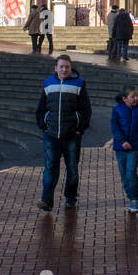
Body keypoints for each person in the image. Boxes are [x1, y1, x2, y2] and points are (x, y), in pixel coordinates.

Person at [34, 54, 91, 211]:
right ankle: (46, 200)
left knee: (72, 168)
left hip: (72, 134)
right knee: (50, 167)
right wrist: (43, 126)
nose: (64, 69)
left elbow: (86, 108)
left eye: (66, 67)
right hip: (51, 135)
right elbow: (41, 108)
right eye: (61, 67)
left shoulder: (79, 84)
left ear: (70, 68)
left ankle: (70, 197)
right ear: (56, 68)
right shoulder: (48, 84)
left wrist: (80, 128)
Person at [110, 85, 138, 214]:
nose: (135, 99)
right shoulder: (117, 110)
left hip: (135, 146)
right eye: (132, 97)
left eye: (136, 96)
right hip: (120, 147)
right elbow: (115, 128)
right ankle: (130, 194)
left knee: (131, 172)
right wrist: (122, 141)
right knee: (124, 174)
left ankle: (134, 199)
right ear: (124, 99)